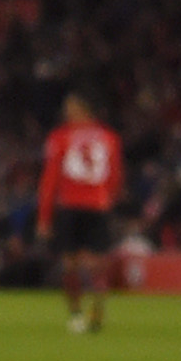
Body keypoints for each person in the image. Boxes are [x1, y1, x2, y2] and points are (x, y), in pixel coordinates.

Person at [37, 96, 123, 333]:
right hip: (98, 205)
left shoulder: (60, 137)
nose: (67, 112)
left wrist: (44, 217)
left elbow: (50, 178)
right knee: (96, 265)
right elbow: (115, 176)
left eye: (70, 108)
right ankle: (95, 311)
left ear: (82, 109)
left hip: (71, 206)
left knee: (70, 264)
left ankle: (76, 314)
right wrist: (109, 199)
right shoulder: (109, 138)